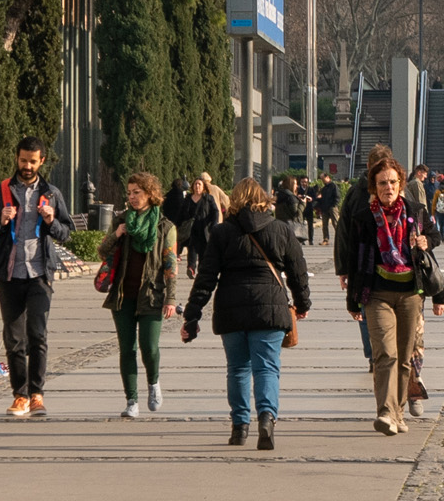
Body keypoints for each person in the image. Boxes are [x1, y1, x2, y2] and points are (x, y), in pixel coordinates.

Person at [185, 177, 312, 451]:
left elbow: (206, 278)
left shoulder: (221, 233)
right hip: (270, 306)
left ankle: (239, 426)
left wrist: (192, 314)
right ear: (264, 199)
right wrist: (302, 304)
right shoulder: (281, 229)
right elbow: (298, 271)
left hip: (230, 307)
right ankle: (266, 417)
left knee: (238, 369)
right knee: (267, 367)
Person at [337, 144, 443, 435]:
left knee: (405, 356)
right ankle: (385, 412)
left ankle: (398, 412)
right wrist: (352, 299)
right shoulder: (363, 217)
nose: (388, 187)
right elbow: (354, 259)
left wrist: (425, 242)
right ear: (374, 186)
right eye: (382, 183)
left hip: (410, 293)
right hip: (377, 294)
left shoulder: (415, 211)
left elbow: (435, 237)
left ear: (401, 183)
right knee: (385, 354)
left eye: (393, 182)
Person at [0, 136, 73, 420]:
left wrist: (51, 221)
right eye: (23, 160)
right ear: (17, 158)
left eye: (33, 161)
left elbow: (67, 232)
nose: (27, 166)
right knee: (14, 338)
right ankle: (20, 395)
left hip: (40, 275)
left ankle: (37, 394)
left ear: (42, 161)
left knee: (37, 335)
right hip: (10, 274)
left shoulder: (51, 194)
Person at [102, 171, 180, 418]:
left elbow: (170, 265)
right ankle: (131, 401)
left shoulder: (165, 227)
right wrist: (117, 234)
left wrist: (171, 298)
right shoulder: (122, 221)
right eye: (129, 192)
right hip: (123, 295)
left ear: (150, 194)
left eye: (137, 192)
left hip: (152, 295)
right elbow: (102, 251)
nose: (132, 197)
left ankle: (153, 383)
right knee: (127, 348)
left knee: (149, 347)